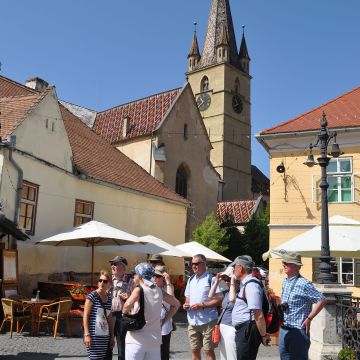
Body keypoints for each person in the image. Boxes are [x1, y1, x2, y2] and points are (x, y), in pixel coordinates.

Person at [124, 263, 180, 360]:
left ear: (140, 275)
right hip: (154, 340)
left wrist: (127, 314)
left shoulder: (138, 290)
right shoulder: (159, 290)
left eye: (135, 274)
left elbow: (126, 306)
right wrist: (165, 320)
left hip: (136, 339)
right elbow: (176, 304)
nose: (133, 276)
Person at [279, 252, 327, 360]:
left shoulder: (304, 284)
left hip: (298, 332)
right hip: (284, 329)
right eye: (283, 262)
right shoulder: (285, 281)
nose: (284, 264)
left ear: (296, 266)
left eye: (287, 263)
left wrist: (309, 318)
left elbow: (322, 300)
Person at [229, 255, 270, 360]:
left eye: (234, 267)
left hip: (248, 330)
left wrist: (264, 336)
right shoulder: (247, 283)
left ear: (240, 268)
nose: (233, 270)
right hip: (245, 329)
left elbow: (258, 314)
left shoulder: (251, 285)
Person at [183, 254, 222, 360]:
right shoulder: (191, 279)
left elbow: (219, 299)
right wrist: (186, 305)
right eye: (192, 264)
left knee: (208, 350)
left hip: (208, 321)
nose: (194, 266)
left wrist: (202, 305)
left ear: (205, 264)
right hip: (192, 321)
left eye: (196, 264)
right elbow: (187, 298)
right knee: (195, 350)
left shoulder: (211, 279)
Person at [83, 269, 114, 360]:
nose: (102, 283)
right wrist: (87, 334)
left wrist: (112, 336)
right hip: (93, 337)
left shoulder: (109, 298)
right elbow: (85, 316)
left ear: (109, 283)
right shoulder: (92, 296)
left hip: (104, 337)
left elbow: (110, 319)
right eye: (100, 280)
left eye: (105, 281)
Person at [209, 266, 237, 360]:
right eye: (225, 279)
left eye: (228, 279)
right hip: (223, 326)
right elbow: (211, 295)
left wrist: (232, 281)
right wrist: (217, 281)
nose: (226, 282)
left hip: (232, 327)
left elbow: (232, 300)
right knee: (223, 355)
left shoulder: (240, 291)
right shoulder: (226, 292)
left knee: (231, 356)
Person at [109, 255, 134, 360]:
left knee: (121, 344)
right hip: (109, 315)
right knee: (107, 344)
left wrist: (129, 299)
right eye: (112, 264)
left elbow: (137, 302)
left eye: (115, 264)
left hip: (122, 316)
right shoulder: (108, 280)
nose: (112, 266)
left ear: (123, 267)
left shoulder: (130, 281)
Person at [152, 265, 176, 360]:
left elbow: (171, 300)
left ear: (163, 277)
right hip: (151, 325)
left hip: (164, 326)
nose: (154, 278)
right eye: (153, 275)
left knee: (163, 353)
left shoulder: (168, 288)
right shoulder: (151, 287)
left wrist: (168, 281)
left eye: (157, 276)